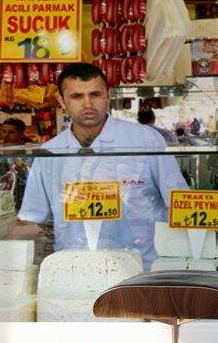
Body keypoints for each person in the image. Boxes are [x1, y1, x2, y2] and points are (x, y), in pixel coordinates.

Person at [18, 63, 188, 269]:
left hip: (140, 265)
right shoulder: (50, 152)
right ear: (62, 101)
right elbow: (33, 217)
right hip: (74, 267)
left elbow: (178, 202)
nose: (88, 104)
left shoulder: (145, 139)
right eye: (77, 96)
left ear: (108, 95)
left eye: (95, 94)